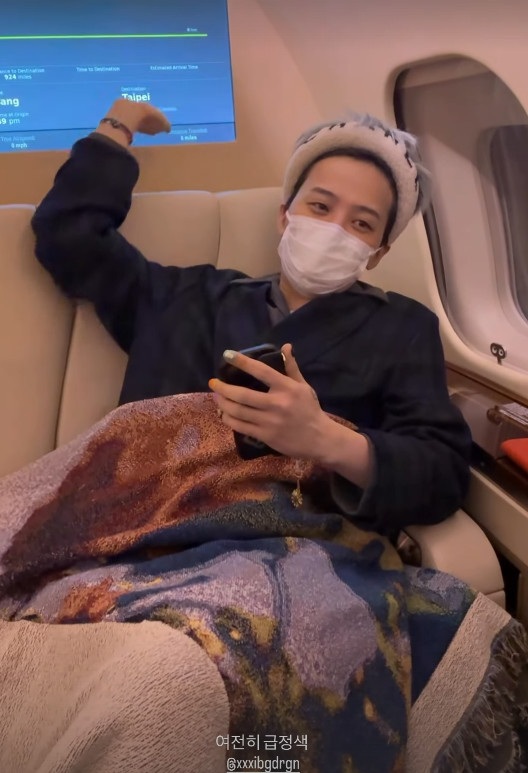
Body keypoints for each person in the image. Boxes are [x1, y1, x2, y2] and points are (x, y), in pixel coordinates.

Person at [31, 99, 472, 537]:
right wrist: (119, 124)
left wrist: (327, 439)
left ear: (377, 254)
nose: (334, 230)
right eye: (320, 208)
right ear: (285, 216)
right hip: (146, 534)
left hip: (300, 552)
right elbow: (70, 238)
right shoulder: (185, 296)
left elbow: (443, 474)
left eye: (361, 224)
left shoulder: (403, 328)